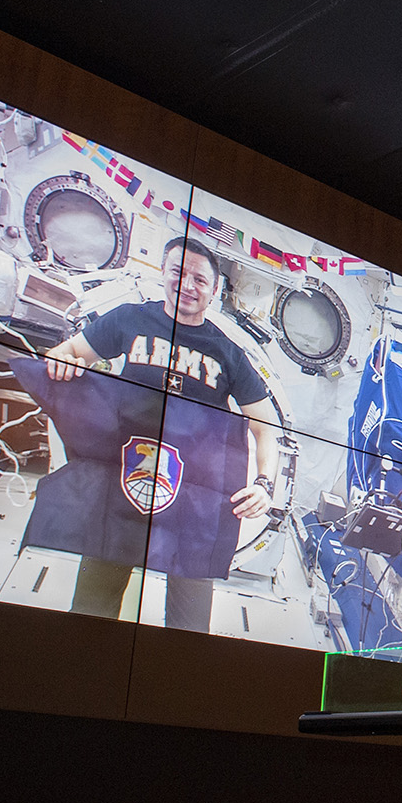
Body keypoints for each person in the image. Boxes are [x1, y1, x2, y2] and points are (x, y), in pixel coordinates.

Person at [39, 235, 279, 630]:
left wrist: (264, 482)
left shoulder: (228, 352)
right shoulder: (129, 318)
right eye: (179, 272)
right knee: (91, 609)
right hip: (124, 485)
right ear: (163, 274)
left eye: (200, 280)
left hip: (195, 502)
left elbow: (264, 425)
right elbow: (67, 352)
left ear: (214, 290)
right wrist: (62, 362)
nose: (188, 285)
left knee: (189, 629)